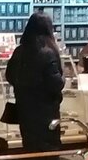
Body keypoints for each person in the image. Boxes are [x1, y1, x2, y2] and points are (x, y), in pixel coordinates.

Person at [5, 12, 65, 152]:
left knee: (30, 149)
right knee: (49, 151)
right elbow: (56, 84)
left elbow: (9, 76)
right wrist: (64, 78)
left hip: (24, 111)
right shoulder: (48, 53)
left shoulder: (19, 51)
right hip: (46, 114)